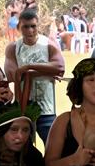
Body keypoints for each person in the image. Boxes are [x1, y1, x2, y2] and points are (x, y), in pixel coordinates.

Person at [5, 8, 65, 141]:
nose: (30, 30)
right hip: (23, 109)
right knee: (23, 149)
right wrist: (45, 70)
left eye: (33, 26)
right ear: (19, 27)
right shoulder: (13, 48)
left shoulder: (49, 44)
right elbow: (13, 75)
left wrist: (29, 68)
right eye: (26, 27)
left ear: (38, 26)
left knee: (52, 147)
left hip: (47, 109)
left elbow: (60, 67)